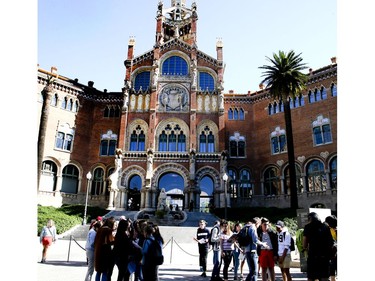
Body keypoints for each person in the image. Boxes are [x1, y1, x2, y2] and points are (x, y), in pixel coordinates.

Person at [303, 212, 334, 281]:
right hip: (324, 257)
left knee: (311, 277)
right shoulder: (326, 227)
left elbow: (304, 244)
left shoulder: (307, 227)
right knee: (324, 277)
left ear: (310, 218)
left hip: (312, 257)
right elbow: (331, 242)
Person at [94, 217, 116, 281]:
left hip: (98, 252)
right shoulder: (108, 230)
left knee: (98, 272)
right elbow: (111, 241)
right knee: (105, 272)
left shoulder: (100, 229)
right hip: (105, 253)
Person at [324, 215, 337, 281]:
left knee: (332, 269)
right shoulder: (334, 230)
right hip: (334, 252)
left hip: (331, 252)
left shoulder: (327, 230)